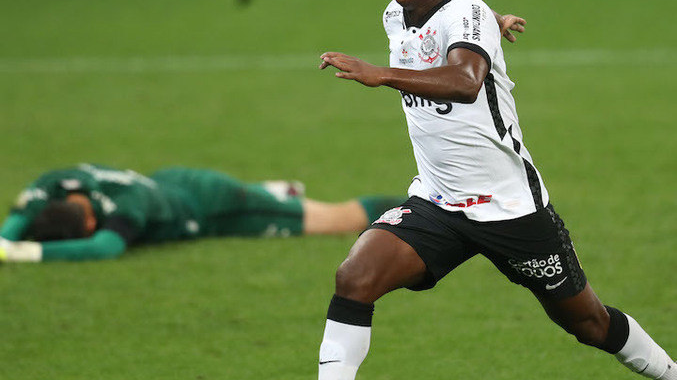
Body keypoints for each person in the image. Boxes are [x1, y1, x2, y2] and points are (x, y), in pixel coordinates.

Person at [265, 0, 677, 380]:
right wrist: (490, 26)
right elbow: (453, 35)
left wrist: (382, 73)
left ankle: (673, 379)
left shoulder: (468, 10)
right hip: (438, 201)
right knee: (354, 278)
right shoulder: (398, 13)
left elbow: (464, 81)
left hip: (510, 210)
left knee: (589, 323)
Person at [0, 163, 405, 262]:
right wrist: (5, 242)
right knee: (293, 205)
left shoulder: (127, 207)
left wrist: (25, 252)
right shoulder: (55, 183)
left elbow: (105, 247)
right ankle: (273, 192)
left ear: (89, 223)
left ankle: (422, 204)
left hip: (214, 205)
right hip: (176, 182)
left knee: (336, 220)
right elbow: (19, 219)